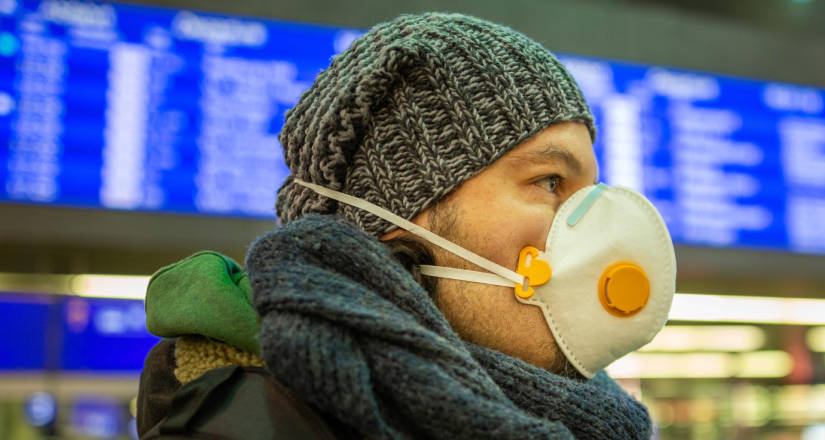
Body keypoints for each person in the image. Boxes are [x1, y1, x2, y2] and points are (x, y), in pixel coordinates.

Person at [135, 12, 676, 439]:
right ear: (395, 216)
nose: (596, 229)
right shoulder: (238, 428)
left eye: (591, 193)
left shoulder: (594, 421)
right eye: (551, 182)